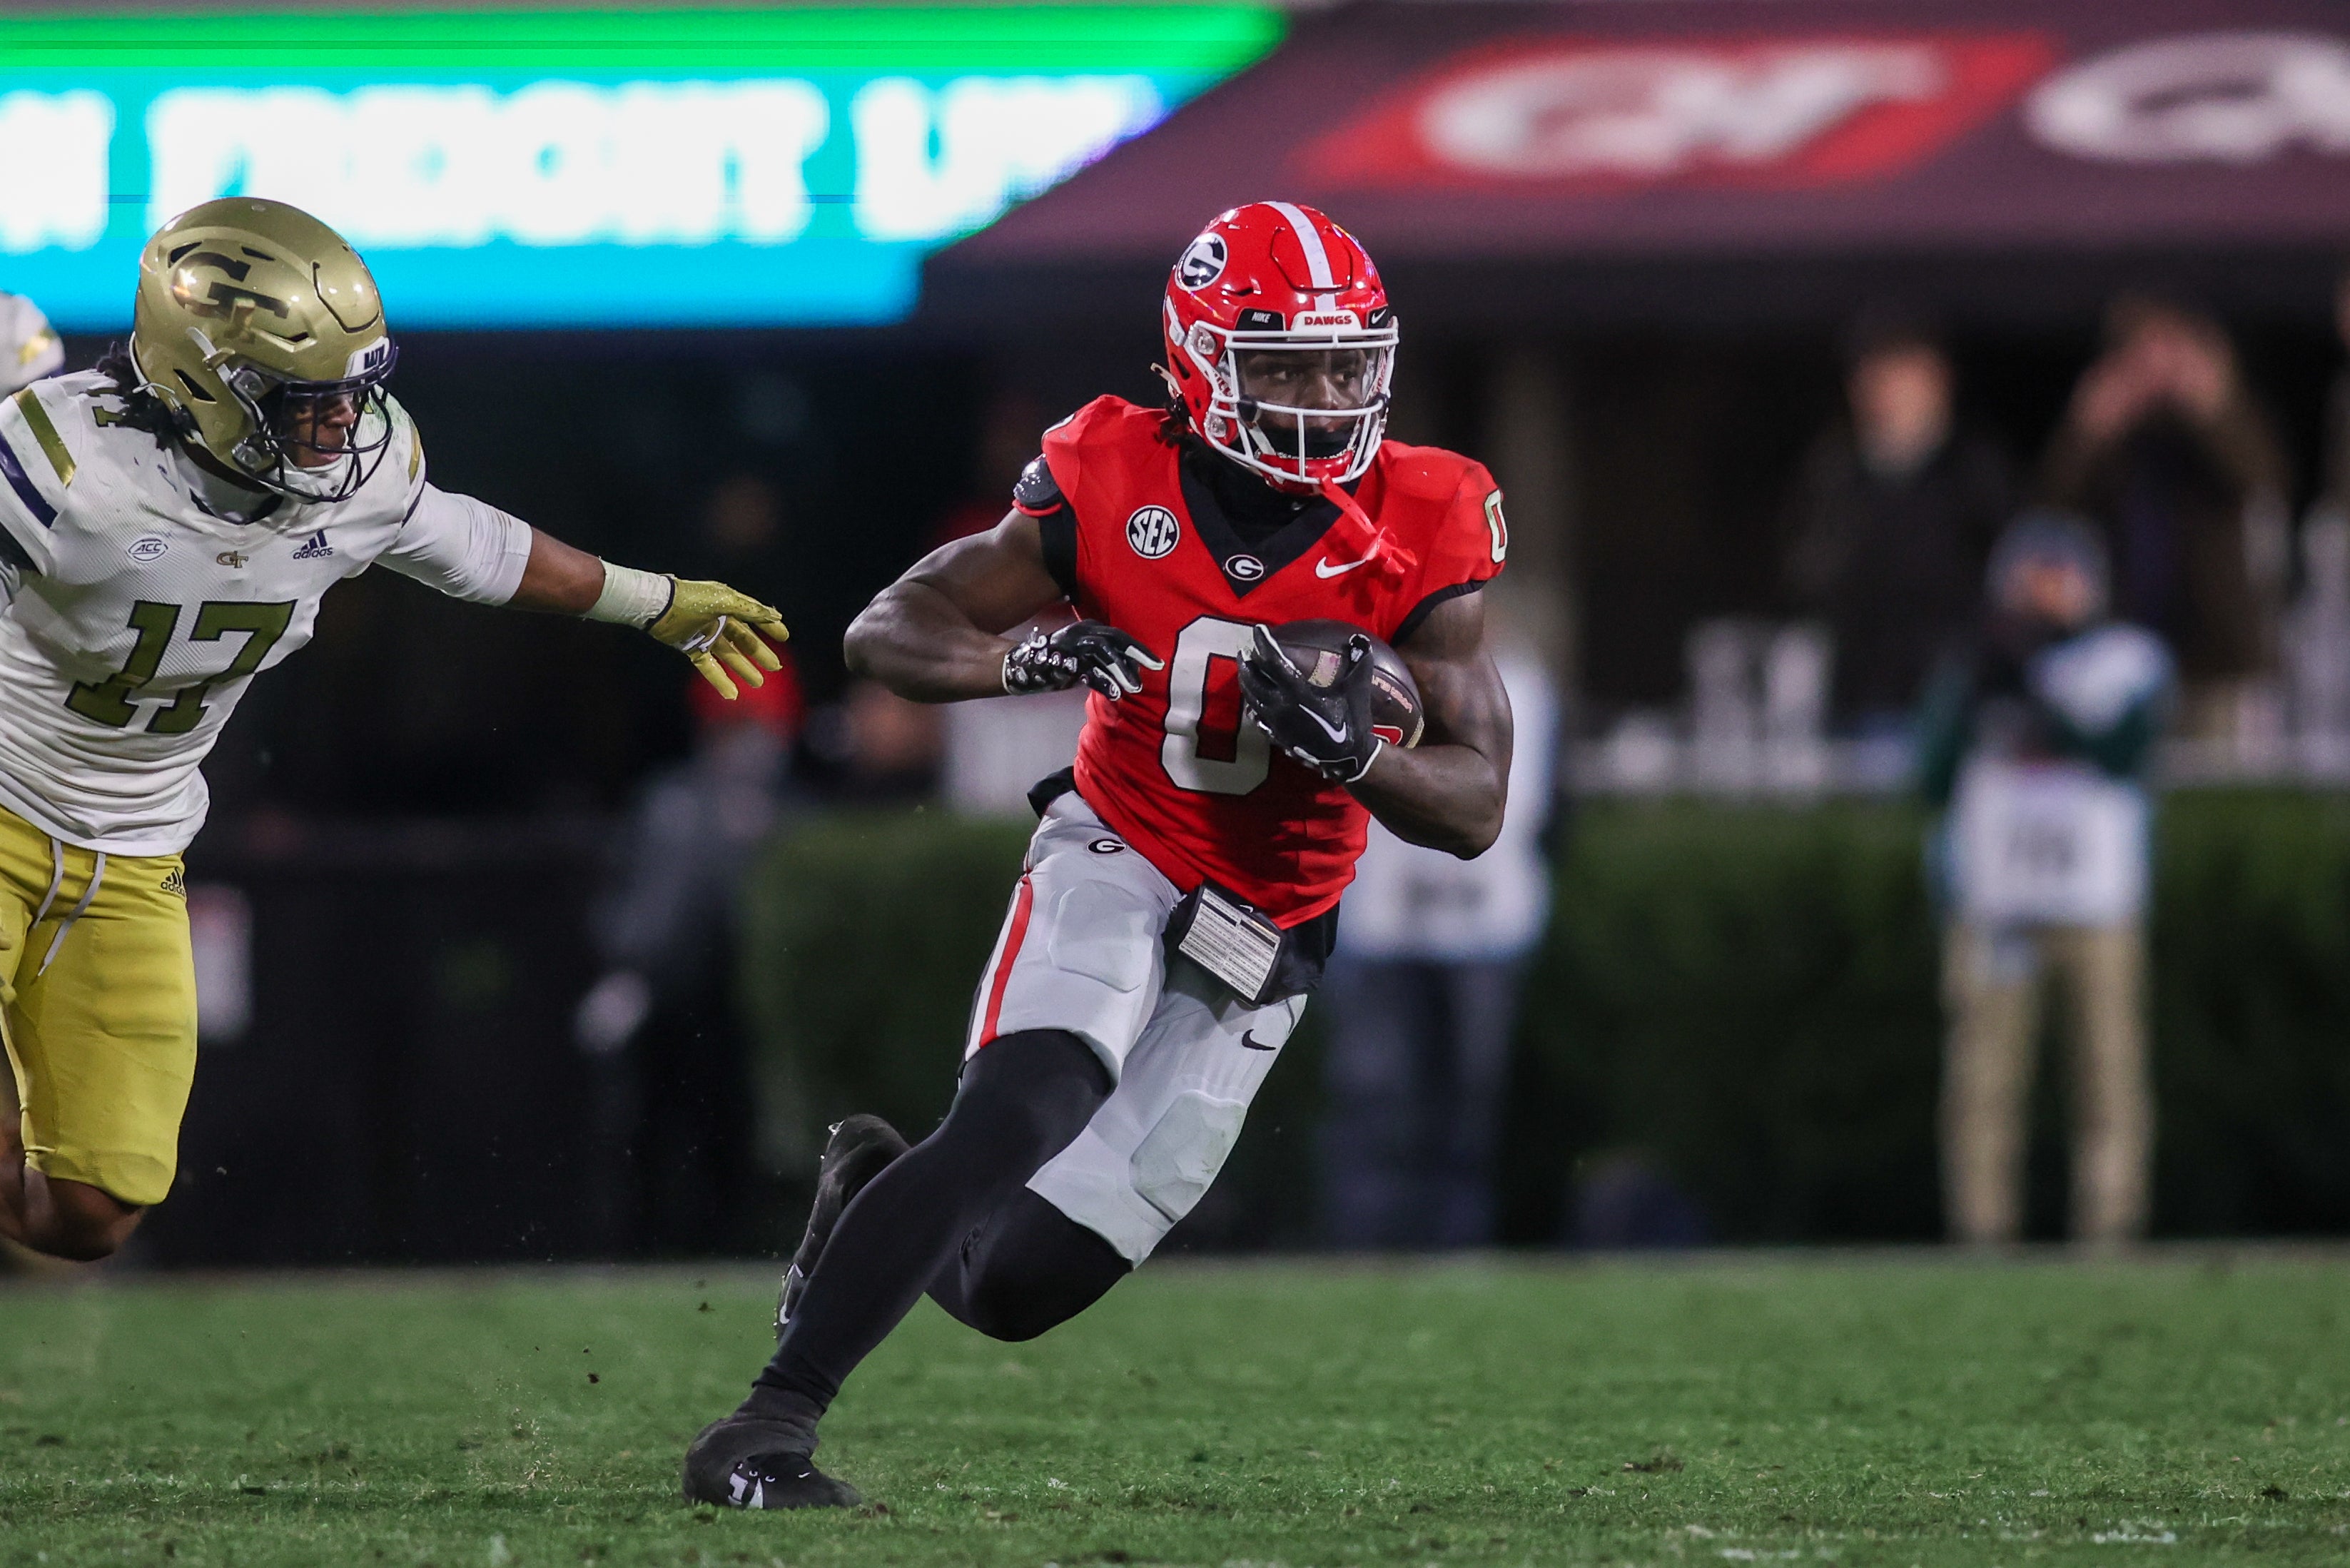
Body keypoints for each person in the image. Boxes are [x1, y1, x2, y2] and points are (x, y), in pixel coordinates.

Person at [681, 201, 1514, 1509]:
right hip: (1118, 845)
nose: (1322, 394)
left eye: (1344, 362)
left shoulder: (1427, 512)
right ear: (1197, 362)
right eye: (1284, 364)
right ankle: (767, 1425)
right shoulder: (1110, 470)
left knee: (1014, 1284)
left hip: (1268, 931)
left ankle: (869, 1188)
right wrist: (1016, 657)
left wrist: (1359, 756)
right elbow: (886, 626)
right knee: (1025, 1105)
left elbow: (1474, 805)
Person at [0, 198, 788, 1264]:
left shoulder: (359, 475)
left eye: (348, 397)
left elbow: (473, 543)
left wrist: (652, 600)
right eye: (302, 402)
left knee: (95, 1208)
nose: (339, 428)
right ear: (201, 382)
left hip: (136, 850)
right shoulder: (63, 466)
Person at [1917, 511, 2173, 1248]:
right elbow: (1929, 771)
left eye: (2059, 577)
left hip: (2095, 899)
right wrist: (1975, 690)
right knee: (1982, 1078)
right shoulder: (1972, 660)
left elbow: (2121, 750)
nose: (2045, 593)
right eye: (2033, 576)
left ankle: (2110, 1225)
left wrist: (2031, 691)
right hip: (1996, 901)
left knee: (2106, 1072)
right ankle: (1981, 1227)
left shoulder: (2125, 658)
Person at [1317, 626, 1555, 1248]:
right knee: (1377, 1106)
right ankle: (1366, 1249)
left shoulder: (1523, 687)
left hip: (1486, 929)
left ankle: (1454, 1250)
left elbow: (1534, 810)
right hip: (1383, 931)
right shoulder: (1362, 669)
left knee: (1467, 1111)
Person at [576, 666, 804, 1255]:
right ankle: (637, 1249)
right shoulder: (674, 802)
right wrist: (627, 973)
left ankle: (734, 1247)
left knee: (735, 1142)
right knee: (646, 1138)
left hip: (744, 1007)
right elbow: (640, 900)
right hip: (669, 998)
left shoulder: (787, 812)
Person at [2040, 295, 2288, 751]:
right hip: (2123, 659)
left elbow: (2263, 484)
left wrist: (2213, 407)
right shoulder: (2117, 442)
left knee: (2225, 801)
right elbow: (2052, 516)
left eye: (2165, 345)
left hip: (2218, 664)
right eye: (2138, 349)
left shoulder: (2220, 423)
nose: (2153, 365)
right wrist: (2086, 431)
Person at [1783, 317, 2013, 730]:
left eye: (1900, 373)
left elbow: (2011, 580)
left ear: (1938, 380)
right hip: (1858, 696)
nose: (1885, 390)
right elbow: (1809, 576)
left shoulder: (1975, 470)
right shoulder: (1838, 472)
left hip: (1956, 701)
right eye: (1874, 376)